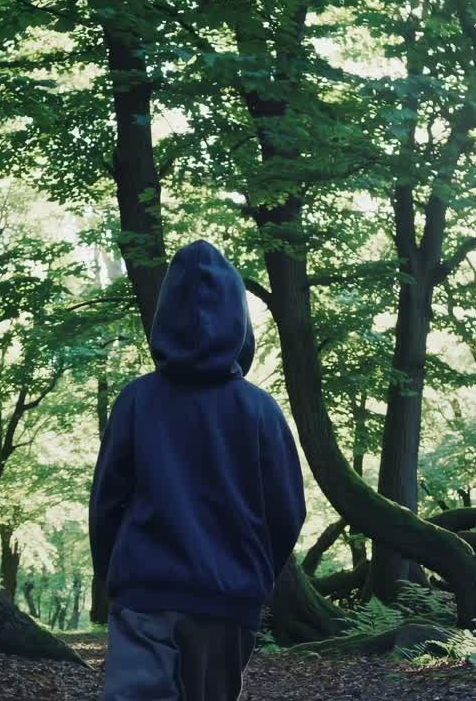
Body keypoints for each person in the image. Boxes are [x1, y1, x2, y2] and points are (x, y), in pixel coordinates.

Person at [90, 240, 306, 701]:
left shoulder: (136, 400)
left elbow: (106, 501)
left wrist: (110, 574)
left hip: (144, 594)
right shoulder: (259, 410)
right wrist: (253, 575)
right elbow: (287, 510)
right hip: (226, 597)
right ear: (238, 320)